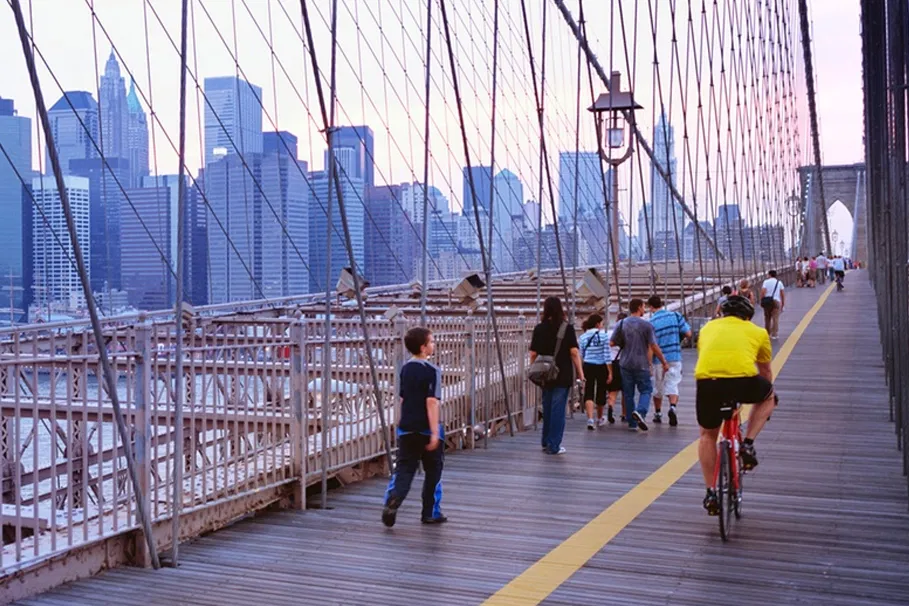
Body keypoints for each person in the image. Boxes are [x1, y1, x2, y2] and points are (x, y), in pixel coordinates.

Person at [695, 295, 777, 516]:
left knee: (707, 435)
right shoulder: (759, 332)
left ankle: (711, 491)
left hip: (708, 382)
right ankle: (748, 443)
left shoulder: (707, 328)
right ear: (748, 317)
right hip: (743, 381)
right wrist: (765, 396)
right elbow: (766, 371)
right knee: (769, 396)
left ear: (721, 312)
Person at [382, 327, 447, 527]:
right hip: (427, 429)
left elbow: (402, 398)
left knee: (404, 469)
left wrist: (402, 421)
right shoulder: (432, 371)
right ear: (423, 347)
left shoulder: (405, 369)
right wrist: (435, 432)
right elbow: (432, 402)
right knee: (433, 471)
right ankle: (430, 512)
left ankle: (393, 498)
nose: (434, 345)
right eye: (432, 342)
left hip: (407, 427)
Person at [530, 297, 584, 454]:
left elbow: (533, 353)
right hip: (562, 373)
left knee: (547, 407)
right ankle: (554, 445)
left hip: (544, 374)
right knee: (558, 410)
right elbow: (574, 352)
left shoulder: (539, 328)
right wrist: (581, 373)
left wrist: (533, 368)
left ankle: (545, 440)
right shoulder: (567, 328)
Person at [610, 298, 669, 432]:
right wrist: (663, 361)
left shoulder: (621, 324)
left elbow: (612, 343)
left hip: (625, 363)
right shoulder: (646, 325)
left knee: (628, 393)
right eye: (643, 307)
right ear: (638, 308)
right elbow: (653, 345)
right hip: (641, 363)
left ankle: (632, 423)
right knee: (646, 390)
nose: (644, 309)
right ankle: (640, 412)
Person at [647, 295, 693, 426]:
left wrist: (649, 363)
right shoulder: (675, 316)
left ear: (651, 307)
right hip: (675, 355)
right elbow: (689, 333)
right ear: (661, 304)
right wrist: (678, 339)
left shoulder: (651, 323)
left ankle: (658, 413)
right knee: (673, 383)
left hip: (658, 359)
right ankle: (672, 407)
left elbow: (651, 345)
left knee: (658, 387)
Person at [579, 313, 613, 430]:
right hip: (601, 366)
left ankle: (589, 419)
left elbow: (581, 354)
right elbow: (607, 355)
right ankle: (599, 418)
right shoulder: (604, 336)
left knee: (588, 390)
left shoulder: (583, 337)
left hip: (588, 365)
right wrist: (610, 372)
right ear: (598, 324)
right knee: (601, 391)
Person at [606, 312, 627, 423]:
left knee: (613, 390)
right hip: (622, 363)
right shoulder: (626, 334)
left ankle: (610, 406)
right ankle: (624, 414)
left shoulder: (609, 333)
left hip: (610, 363)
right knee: (625, 390)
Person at [760, 269, 785, 340]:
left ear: (769, 275)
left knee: (767, 318)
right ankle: (774, 334)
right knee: (775, 318)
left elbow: (763, 292)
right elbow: (782, 294)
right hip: (776, 301)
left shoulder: (766, 282)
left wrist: (762, 300)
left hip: (767, 301)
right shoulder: (779, 283)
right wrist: (783, 304)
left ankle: (767, 333)